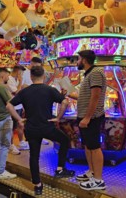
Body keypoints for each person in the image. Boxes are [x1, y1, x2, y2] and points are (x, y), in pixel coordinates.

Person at [7, 66, 75, 196]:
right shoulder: (49, 90)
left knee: (34, 156)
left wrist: (19, 119)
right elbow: (65, 102)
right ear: (44, 76)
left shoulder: (25, 91)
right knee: (65, 140)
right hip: (47, 127)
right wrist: (58, 118)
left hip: (31, 128)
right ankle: (60, 169)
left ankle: (37, 185)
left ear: (31, 77)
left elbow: (9, 105)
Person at [67, 50, 107, 190]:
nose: (76, 62)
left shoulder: (95, 73)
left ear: (84, 60)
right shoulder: (89, 74)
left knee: (94, 147)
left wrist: (88, 117)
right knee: (88, 146)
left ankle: (98, 180)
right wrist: (69, 94)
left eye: (78, 59)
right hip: (85, 116)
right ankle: (92, 172)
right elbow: (86, 97)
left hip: (92, 117)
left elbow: (95, 96)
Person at [21, 57, 49, 145]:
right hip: (28, 99)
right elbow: (22, 86)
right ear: (32, 63)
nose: (37, 68)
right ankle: (28, 138)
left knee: (40, 117)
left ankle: (41, 136)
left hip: (38, 98)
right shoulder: (24, 73)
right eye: (36, 66)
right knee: (30, 119)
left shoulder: (39, 73)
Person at [7, 65, 29, 154]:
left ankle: (22, 142)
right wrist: (20, 82)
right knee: (11, 127)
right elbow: (17, 93)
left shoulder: (18, 79)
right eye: (21, 72)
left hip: (19, 106)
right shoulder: (9, 79)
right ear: (18, 71)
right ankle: (11, 145)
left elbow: (23, 89)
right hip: (12, 107)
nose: (22, 74)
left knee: (20, 125)